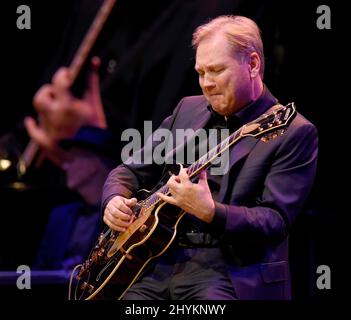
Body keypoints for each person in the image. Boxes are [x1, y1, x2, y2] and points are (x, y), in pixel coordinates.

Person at [101, 15, 318, 300]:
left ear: (252, 64)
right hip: (158, 262)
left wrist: (209, 212)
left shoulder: (293, 132)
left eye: (216, 71)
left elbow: (274, 221)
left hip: (229, 271)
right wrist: (114, 199)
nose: (206, 83)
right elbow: (128, 170)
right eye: (201, 72)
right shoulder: (187, 109)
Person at [33, 125, 120, 270]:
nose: (65, 166)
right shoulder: (60, 215)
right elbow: (39, 270)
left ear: (93, 164)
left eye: (72, 159)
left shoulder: (121, 214)